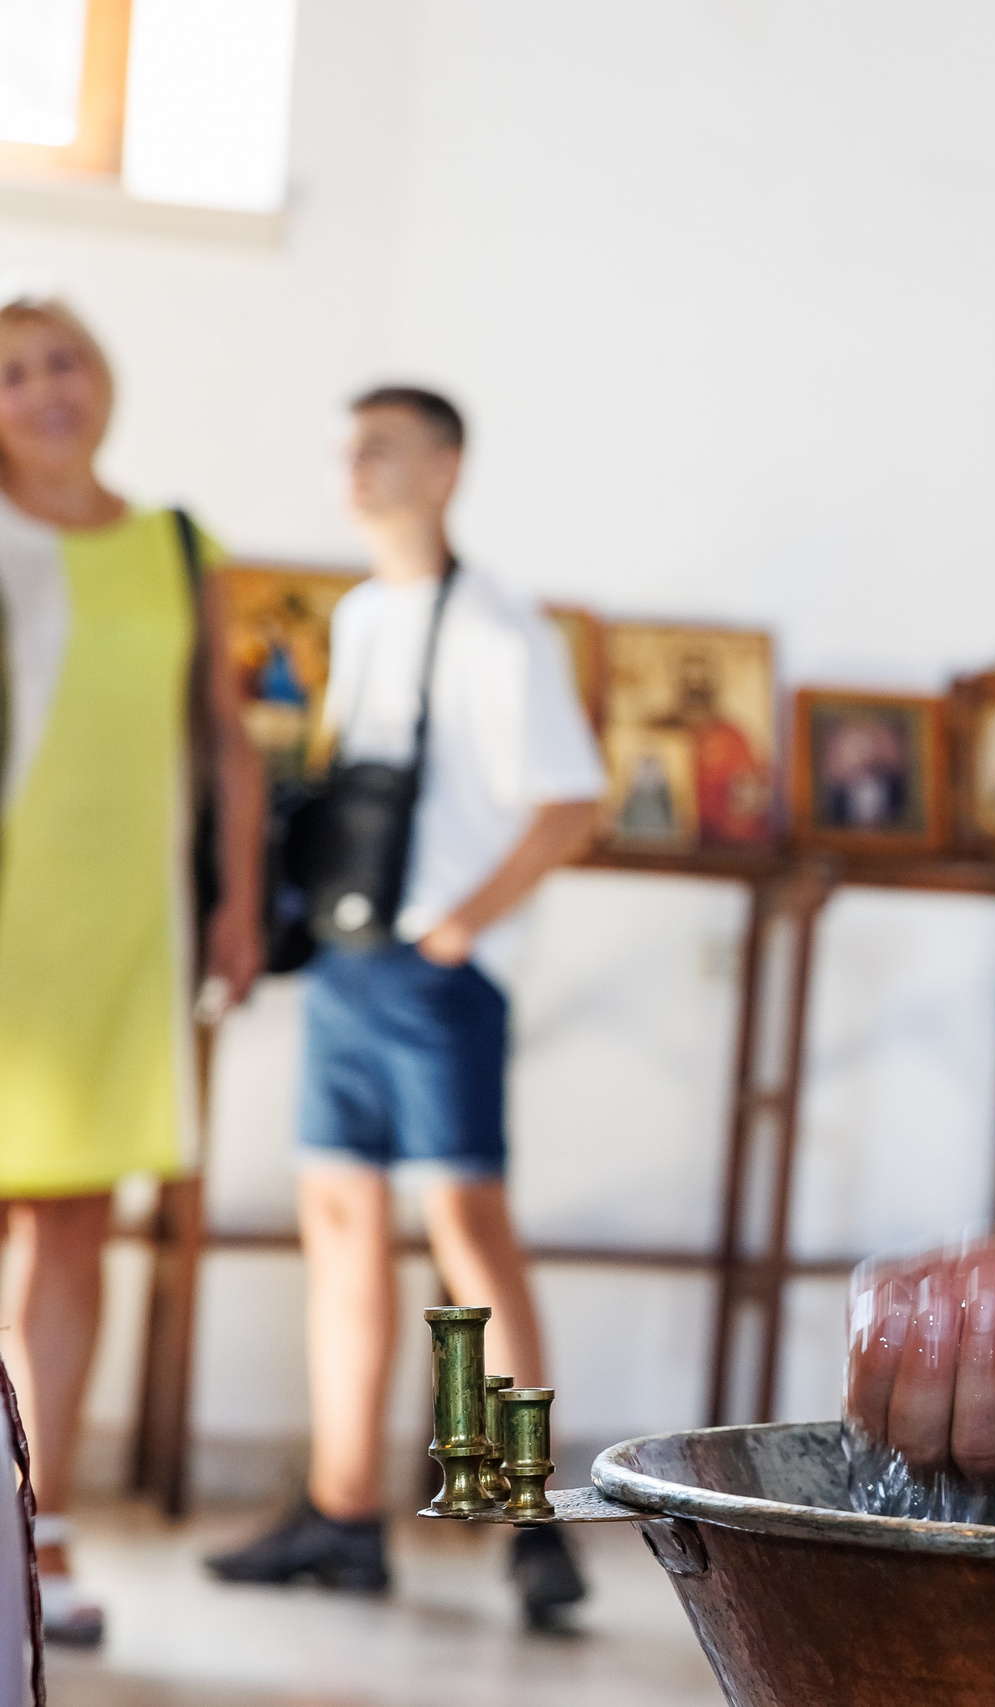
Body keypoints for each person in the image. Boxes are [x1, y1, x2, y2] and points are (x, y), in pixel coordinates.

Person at [206, 386, 604, 1629]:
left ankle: (527, 1518)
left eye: (381, 447)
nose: (356, 468)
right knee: (337, 1222)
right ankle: (341, 1515)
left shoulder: (498, 627)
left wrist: (460, 927)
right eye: (347, 448)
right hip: (344, 961)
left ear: (446, 468)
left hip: (436, 978)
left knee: (467, 1236)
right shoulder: (362, 615)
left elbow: (569, 803)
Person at [0, 293, 266, 1648]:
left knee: (71, 1226)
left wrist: (238, 896)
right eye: (13, 373)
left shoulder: (175, 541)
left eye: (65, 362)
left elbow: (225, 735)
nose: (45, 389)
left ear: (103, 381)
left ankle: (39, 1527)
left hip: (116, 925)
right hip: (4, 913)